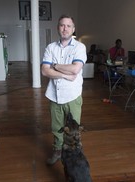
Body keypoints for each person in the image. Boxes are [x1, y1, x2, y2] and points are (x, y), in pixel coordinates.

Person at [41, 15, 87, 165]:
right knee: (56, 128)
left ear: (73, 29)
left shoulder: (80, 47)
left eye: (68, 26)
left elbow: (75, 69)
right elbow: (44, 71)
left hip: (72, 96)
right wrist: (64, 74)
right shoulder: (50, 47)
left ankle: (75, 152)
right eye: (62, 25)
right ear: (58, 28)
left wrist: (55, 66)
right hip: (54, 95)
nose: (65, 28)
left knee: (73, 129)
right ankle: (58, 150)